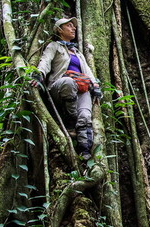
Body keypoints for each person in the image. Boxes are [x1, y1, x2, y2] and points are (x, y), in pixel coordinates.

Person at [31, 17, 101, 160]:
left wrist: (95, 85)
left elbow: (87, 70)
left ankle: (85, 150)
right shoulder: (54, 46)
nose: (73, 28)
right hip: (60, 86)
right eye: (69, 26)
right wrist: (38, 75)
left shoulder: (78, 52)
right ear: (59, 30)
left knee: (86, 115)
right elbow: (45, 61)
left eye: (73, 26)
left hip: (81, 87)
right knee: (68, 83)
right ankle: (71, 120)